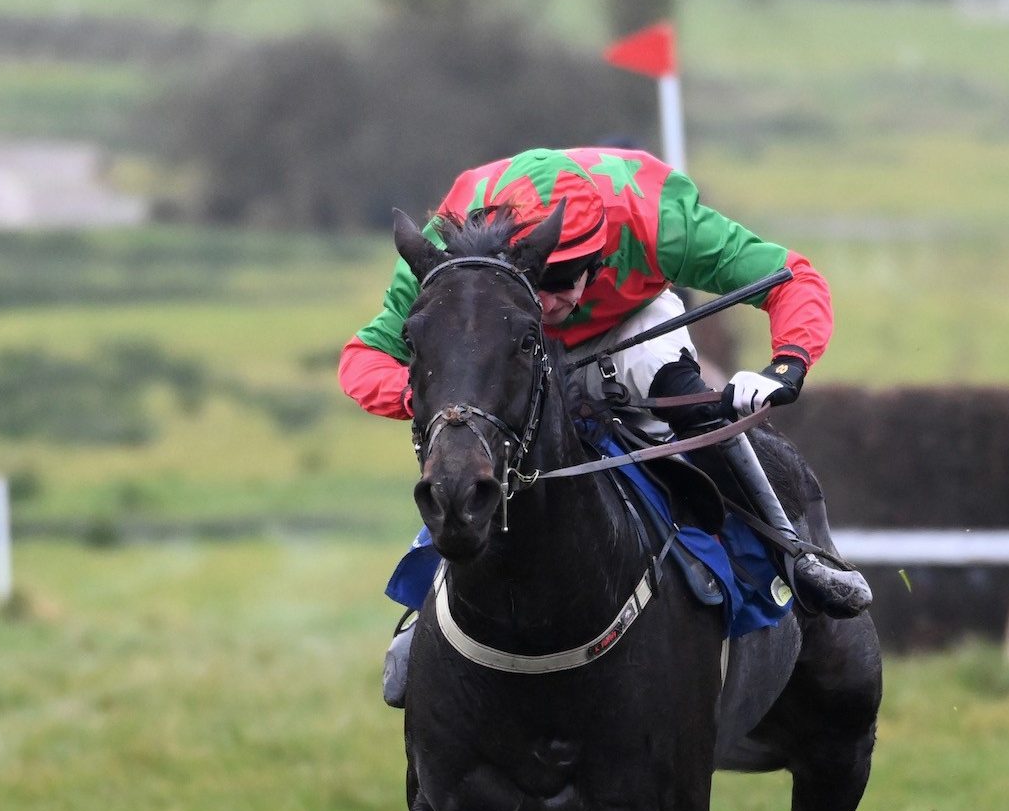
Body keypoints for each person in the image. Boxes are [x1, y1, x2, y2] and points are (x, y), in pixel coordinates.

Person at [339, 147, 872, 704]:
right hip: (504, 338)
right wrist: (440, 395)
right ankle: (426, 609)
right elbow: (364, 356)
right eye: (537, 279)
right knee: (472, 450)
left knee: (690, 405)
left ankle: (794, 556)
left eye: (561, 279)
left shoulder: (660, 219)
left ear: (601, 257)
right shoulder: (453, 241)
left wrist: (786, 364)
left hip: (629, 325)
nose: (549, 301)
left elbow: (793, 278)